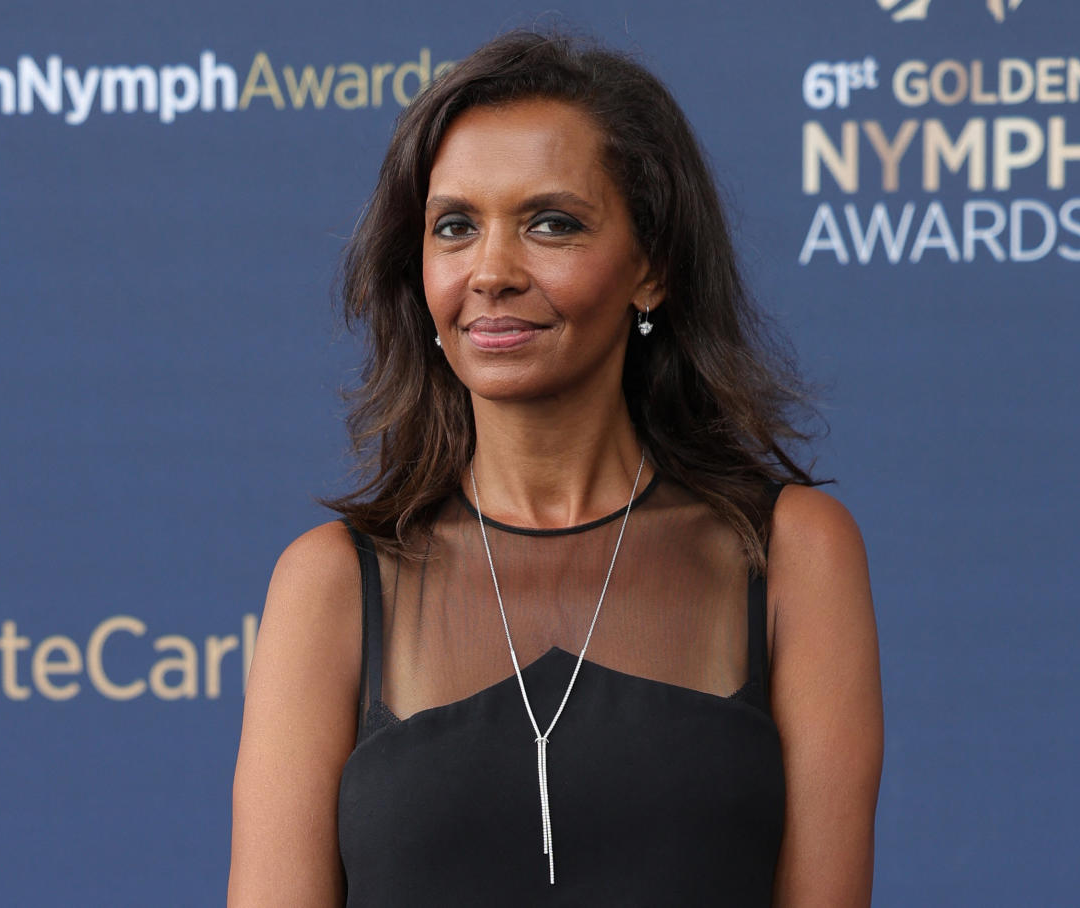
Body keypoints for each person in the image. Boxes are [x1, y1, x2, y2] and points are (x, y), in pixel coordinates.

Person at [228, 29, 882, 907]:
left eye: (551, 224)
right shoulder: (331, 584)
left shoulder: (792, 553)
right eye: (454, 227)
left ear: (651, 267)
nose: (492, 271)